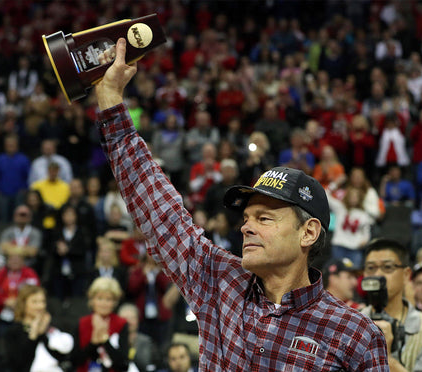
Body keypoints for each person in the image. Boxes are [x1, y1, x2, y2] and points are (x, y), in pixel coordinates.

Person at [93, 38, 388, 371]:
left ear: (308, 232)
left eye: (265, 218)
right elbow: (158, 209)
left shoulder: (356, 336)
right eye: (247, 217)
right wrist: (110, 100)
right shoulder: (219, 279)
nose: (246, 226)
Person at [361, 238, 422, 372]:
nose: (378, 275)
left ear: (406, 274)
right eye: (371, 268)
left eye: (388, 267)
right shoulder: (350, 323)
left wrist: (386, 358)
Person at [4, 285, 73, 372]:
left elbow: (63, 358)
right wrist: (33, 334)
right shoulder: (14, 331)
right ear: (23, 304)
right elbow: (19, 363)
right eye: (35, 302)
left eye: (43, 301)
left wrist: (43, 332)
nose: (40, 306)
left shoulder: (54, 326)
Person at [71, 277, 129, 372]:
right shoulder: (82, 323)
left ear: (114, 302)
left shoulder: (121, 323)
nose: (104, 303)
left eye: (108, 299)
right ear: (92, 300)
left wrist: (105, 340)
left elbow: (123, 364)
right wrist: (93, 343)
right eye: (100, 298)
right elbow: (75, 361)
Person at [118, 303, 157, 372]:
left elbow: (145, 365)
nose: (129, 322)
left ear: (138, 320)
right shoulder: (113, 340)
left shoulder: (146, 341)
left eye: (132, 318)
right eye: (125, 318)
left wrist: (132, 345)